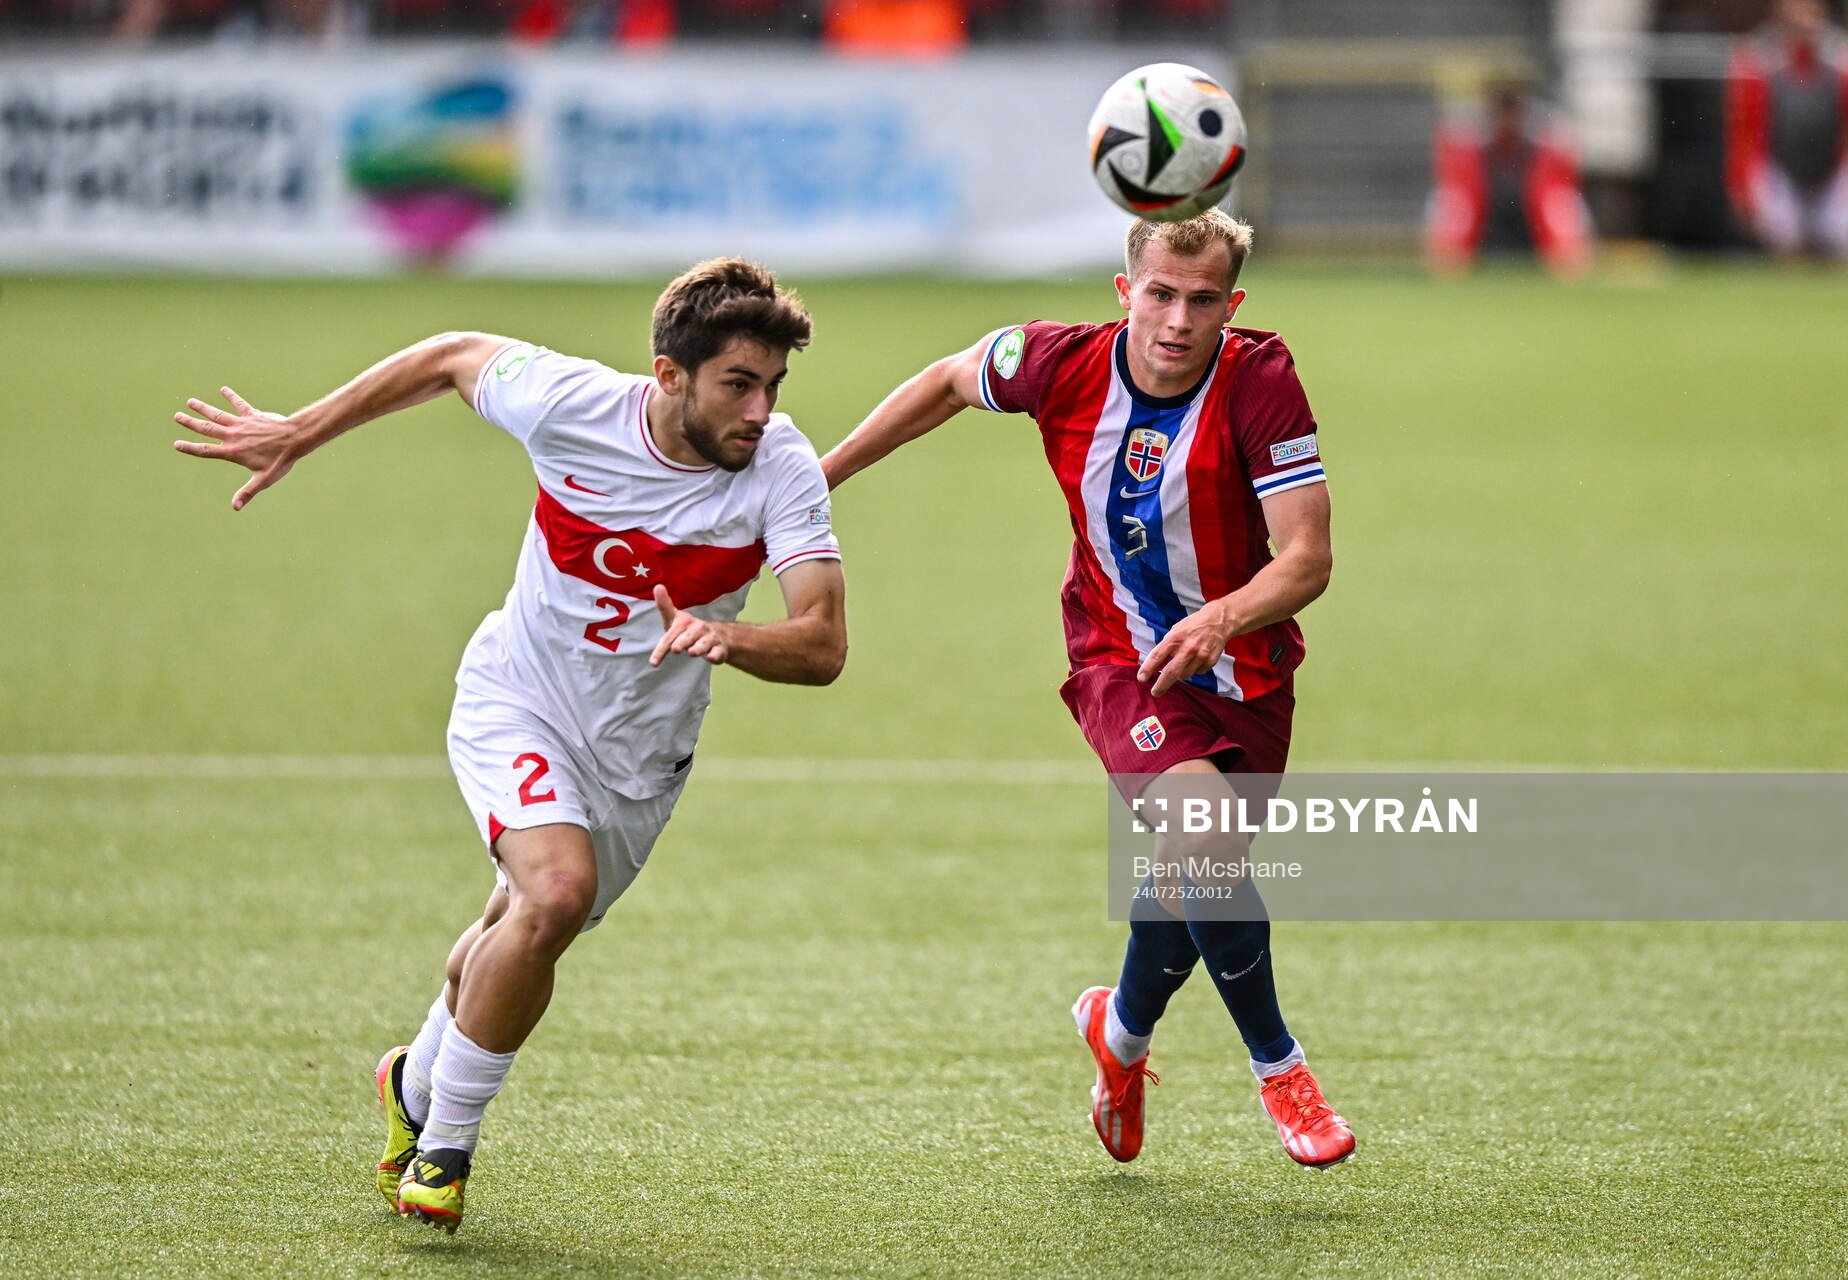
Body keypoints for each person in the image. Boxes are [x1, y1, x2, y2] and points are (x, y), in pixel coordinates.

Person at [172, 258, 847, 1230]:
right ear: (668, 376)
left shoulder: (779, 467)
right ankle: (442, 1146)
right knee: (554, 891)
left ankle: (413, 1076)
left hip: (641, 759)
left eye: (774, 386)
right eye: (739, 383)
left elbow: (823, 640)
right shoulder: (570, 403)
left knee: (521, 926)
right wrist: (300, 429)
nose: (761, 409)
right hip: (518, 698)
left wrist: (727, 636)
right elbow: (450, 355)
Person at [820, 210, 1354, 1169]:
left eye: (1202, 302)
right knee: (1205, 841)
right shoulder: (1058, 363)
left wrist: (1223, 619)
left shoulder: (1260, 380)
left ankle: (1121, 1034)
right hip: (1120, 656)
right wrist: (820, 478)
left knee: (1197, 880)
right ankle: (1282, 1068)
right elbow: (946, 380)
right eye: (1160, 294)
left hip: (1246, 669)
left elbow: (1309, 558)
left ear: (1232, 306)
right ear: (1125, 292)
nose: (1178, 320)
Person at [1425, 83, 1594, 278]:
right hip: (1484, 251)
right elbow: (1453, 209)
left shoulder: (1544, 157)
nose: (1507, 121)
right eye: (1502, 112)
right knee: (1448, 201)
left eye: (1512, 112)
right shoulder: (1472, 158)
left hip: (1534, 249)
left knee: (1564, 201)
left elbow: (1563, 210)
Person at [1725, 0, 1848, 259]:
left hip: (1831, 169)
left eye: (1810, 10)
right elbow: (1744, 128)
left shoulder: (1840, 56)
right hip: (1780, 167)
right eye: (1795, 8)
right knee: (1785, 236)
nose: (1802, 19)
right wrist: (1741, 186)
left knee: (1839, 237)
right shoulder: (1758, 56)